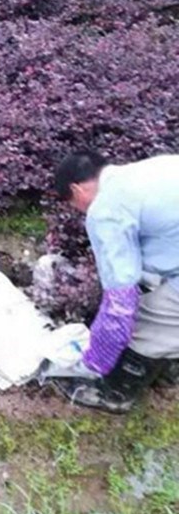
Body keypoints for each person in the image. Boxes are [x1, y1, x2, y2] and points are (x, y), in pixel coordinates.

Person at [53, 150, 179, 412]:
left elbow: (120, 305)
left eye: (71, 203)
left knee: (145, 320)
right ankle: (169, 367)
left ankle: (115, 393)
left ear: (76, 191)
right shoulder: (149, 171)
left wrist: (95, 362)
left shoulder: (105, 209)